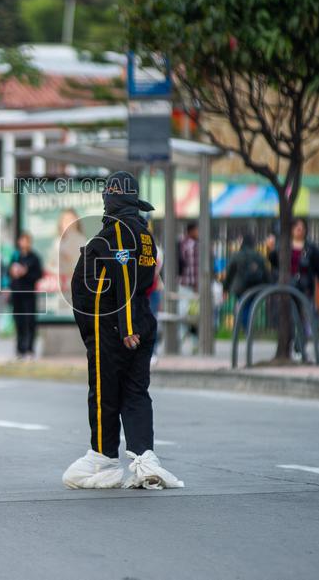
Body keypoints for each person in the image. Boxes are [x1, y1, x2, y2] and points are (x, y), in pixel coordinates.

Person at [63, 171, 183, 490]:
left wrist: (125, 325)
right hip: (138, 318)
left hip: (115, 324)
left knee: (104, 392)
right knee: (136, 391)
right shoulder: (143, 232)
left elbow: (123, 271)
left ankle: (103, 459)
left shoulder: (119, 229)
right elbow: (148, 274)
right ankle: (144, 459)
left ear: (111, 198)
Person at [269, 218, 319, 357]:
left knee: (303, 318)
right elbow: (275, 264)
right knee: (288, 317)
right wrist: (270, 250)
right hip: (288, 286)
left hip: (305, 287)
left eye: (302, 228)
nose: (300, 230)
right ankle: (288, 345)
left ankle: (300, 347)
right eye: (297, 227)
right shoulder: (283, 246)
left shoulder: (311, 248)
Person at [224, 234, 270, 333]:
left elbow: (229, 273)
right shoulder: (259, 256)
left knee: (243, 306)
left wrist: (225, 288)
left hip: (240, 287)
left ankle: (245, 328)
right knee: (251, 306)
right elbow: (266, 273)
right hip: (256, 286)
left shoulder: (237, 255)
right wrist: (269, 285)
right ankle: (248, 327)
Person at [9, 232, 43, 360]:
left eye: (26, 241)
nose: (24, 243)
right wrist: (13, 272)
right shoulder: (15, 256)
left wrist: (26, 272)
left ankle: (29, 349)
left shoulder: (34, 258)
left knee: (30, 321)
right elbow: (9, 272)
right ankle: (20, 349)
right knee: (19, 321)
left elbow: (39, 274)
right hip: (17, 293)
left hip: (28, 294)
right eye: (22, 240)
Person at [177, 221, 200, 349]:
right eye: (197, 230)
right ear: (191, 231)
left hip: (184, 285)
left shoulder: (181, 243)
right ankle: (189, 341)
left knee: (186, 314)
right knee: (189, 315)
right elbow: (194, 267)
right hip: (188, 285)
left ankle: (186, 340)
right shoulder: (191, 245)